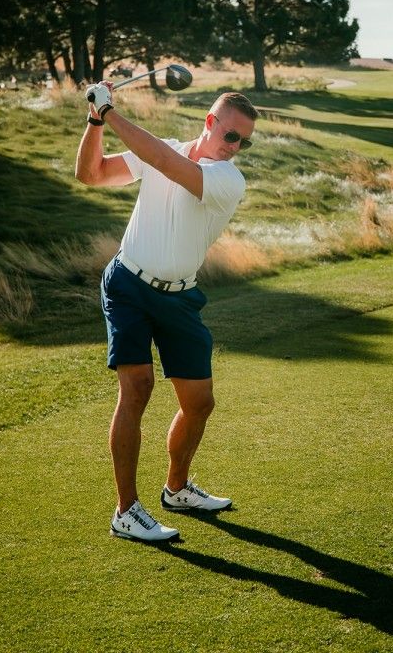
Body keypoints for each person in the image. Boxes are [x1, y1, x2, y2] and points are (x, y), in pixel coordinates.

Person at [75, 82, 258, 543]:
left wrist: (111, 111)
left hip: (181, 297)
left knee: (199, 403)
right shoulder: (167, 148)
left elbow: (165, 163)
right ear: (210, 122)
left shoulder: (227, 179)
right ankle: (126, 511)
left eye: (244, 142)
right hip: (129, 286)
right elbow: (91, 174)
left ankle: (176, 489)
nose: (236, 148)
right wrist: (95, 122)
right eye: (232, 136)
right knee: (137, 387)